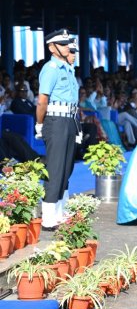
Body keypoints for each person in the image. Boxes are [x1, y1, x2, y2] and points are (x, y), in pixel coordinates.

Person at [36, 29, 80, 230]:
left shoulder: (68, 69)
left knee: (67, 167)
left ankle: (60, 211)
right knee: (55, 167)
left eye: (68, 45)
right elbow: (42, 100)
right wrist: (40, 123)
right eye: (63, 45)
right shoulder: (51, 68)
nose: (67, 48)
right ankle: (48, 216)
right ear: (52, 48)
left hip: (69, 119)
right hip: (56, 120)